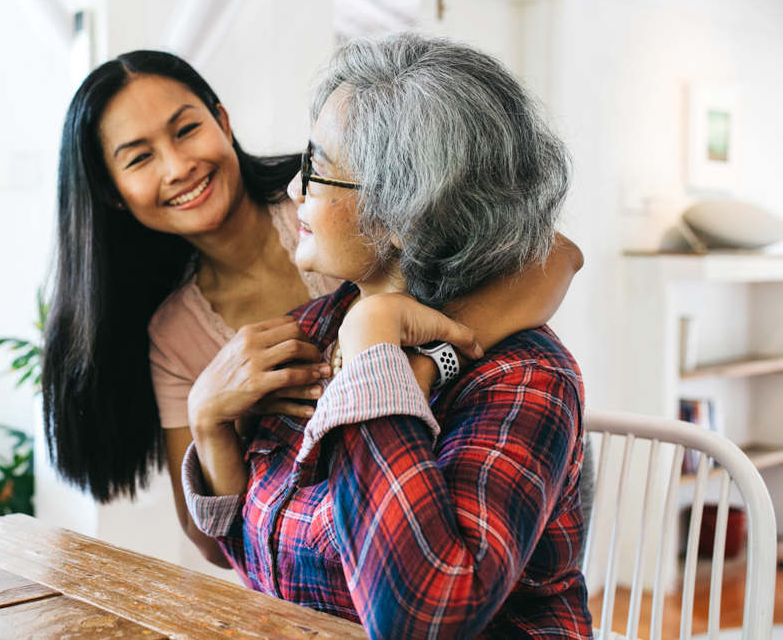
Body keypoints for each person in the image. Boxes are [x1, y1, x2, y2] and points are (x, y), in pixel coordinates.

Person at [42, 50, 583, 568]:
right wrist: (208, 419)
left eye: (186, 130)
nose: (179, 165)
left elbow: (554, 254)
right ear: (111, 191)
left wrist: (420, 360)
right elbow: (220, 548)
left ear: (222, 120)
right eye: (139, 157)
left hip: (480, 482)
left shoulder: (330, 216)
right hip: (320, 564)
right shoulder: (172, 332)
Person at [182, 33, 591, 638]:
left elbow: (421, 618)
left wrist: (375, 350)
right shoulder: (320, 328)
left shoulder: (523, 380)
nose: (295, 190)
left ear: (405, 212)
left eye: (317, 169)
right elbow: (269, 566)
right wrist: (210, 429)